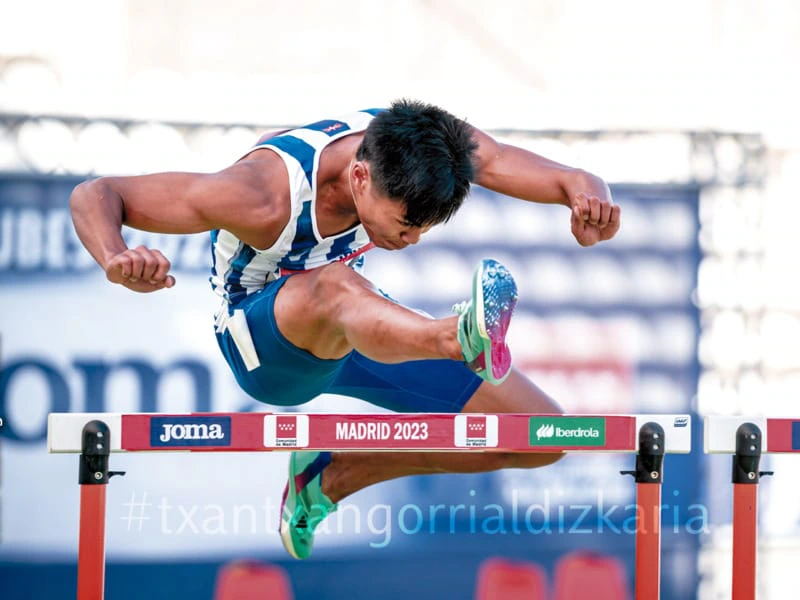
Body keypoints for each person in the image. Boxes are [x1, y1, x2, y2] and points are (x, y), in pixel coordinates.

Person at [70, 99, 620, 560]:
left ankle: (330, 477)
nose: (411, 241)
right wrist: (117, 258)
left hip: (351, 325)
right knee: (334, 285)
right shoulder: (259, 195)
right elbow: (97, 194)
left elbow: (498, 159)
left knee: (536, 433)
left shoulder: (417, 142)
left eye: (425, 229)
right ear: (359, 176)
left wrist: (582, 187)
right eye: (405, 224)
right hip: (264, 346)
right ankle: (455, 336)